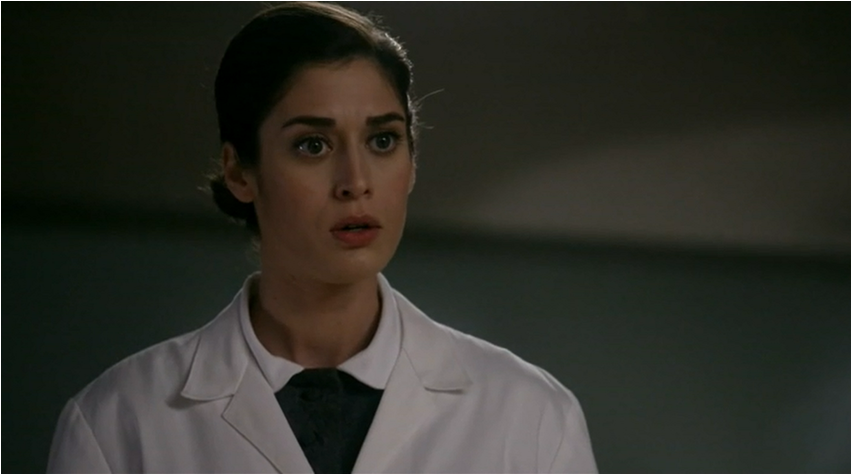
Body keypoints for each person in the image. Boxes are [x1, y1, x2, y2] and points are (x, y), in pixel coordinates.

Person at [46, 2, 598, 473]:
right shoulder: (119, 422)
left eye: (382, 140)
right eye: (313, 145)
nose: (356, 182)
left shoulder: (531, 416)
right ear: (239, 172)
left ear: (412, 161)